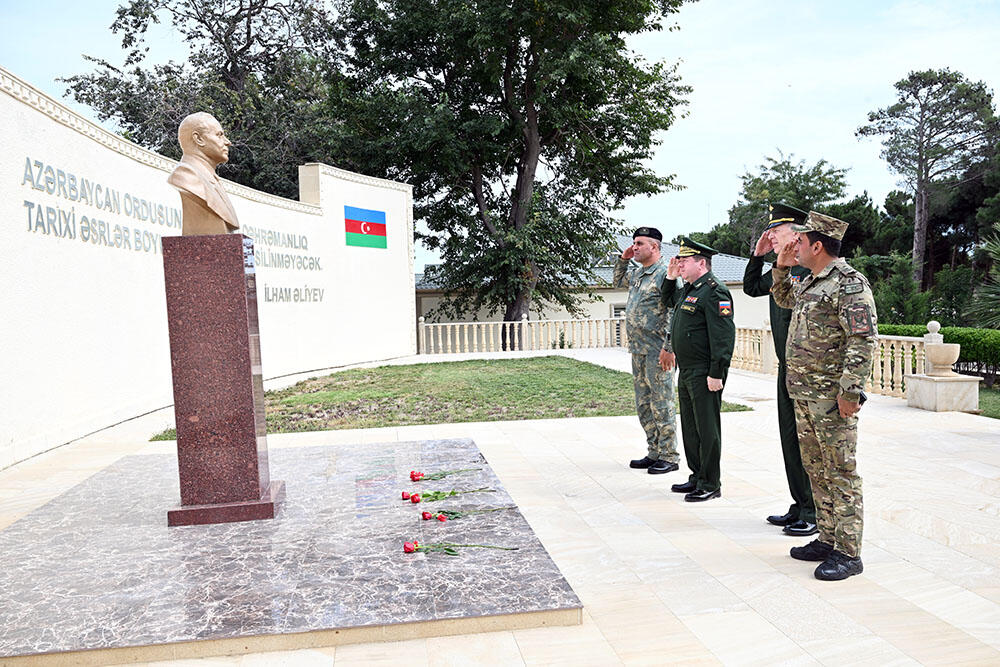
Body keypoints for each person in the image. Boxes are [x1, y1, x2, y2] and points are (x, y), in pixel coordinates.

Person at [771, 211, 878, 581]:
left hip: (832, 398)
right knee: (817, 470)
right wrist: (782, 266)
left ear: (818, 246)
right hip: (803, 393)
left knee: (841, 472)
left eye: (799, 242)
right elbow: (783, 299)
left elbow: (862, 339)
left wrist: (851, 391)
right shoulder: (813, 281)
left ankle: (849, 554)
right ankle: (828, 538)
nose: (793, 245)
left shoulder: (848, 284)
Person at [744, 204, 817, 537]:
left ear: (797, 234)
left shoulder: (811, 270)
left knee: (809, 444)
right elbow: (750, 288)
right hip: (786, 370)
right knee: (790, 440)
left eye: (777, 231)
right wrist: (758, 256)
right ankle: (800, 503)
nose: (770, 236)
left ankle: (814, 511)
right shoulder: (781, 270)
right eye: (769, 232)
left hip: (809, 374)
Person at [661, 238, 735, 501]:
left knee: (707, 428)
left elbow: (723, 337)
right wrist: (670, 278)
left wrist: (717, 372)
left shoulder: (715, 292)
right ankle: (697, 476)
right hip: (688, 369)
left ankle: (711, 482)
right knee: (691, 427)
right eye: (679, 260)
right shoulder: (691, 289)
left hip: (705, 371)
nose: (679, 263)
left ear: (701, 263)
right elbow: (668, 300)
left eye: (685, 260)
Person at [613, 227, 680, 475]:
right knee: (644, 404)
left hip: (658, 350)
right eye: (634, 243)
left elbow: (675, 310)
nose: (635, 246)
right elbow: (617, 281)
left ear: (655, 247)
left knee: (662, 403)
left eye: (640, 243)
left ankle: (670, 455)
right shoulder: (640, 273)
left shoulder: (666, 273)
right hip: (638, 350)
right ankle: (654, 452)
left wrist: (669, 347)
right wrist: (623, 258)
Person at [168, 112, 240, 236]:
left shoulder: (211, 179)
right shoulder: (186, 176)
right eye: (219, 135)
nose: (228, 142)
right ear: (199, 139)